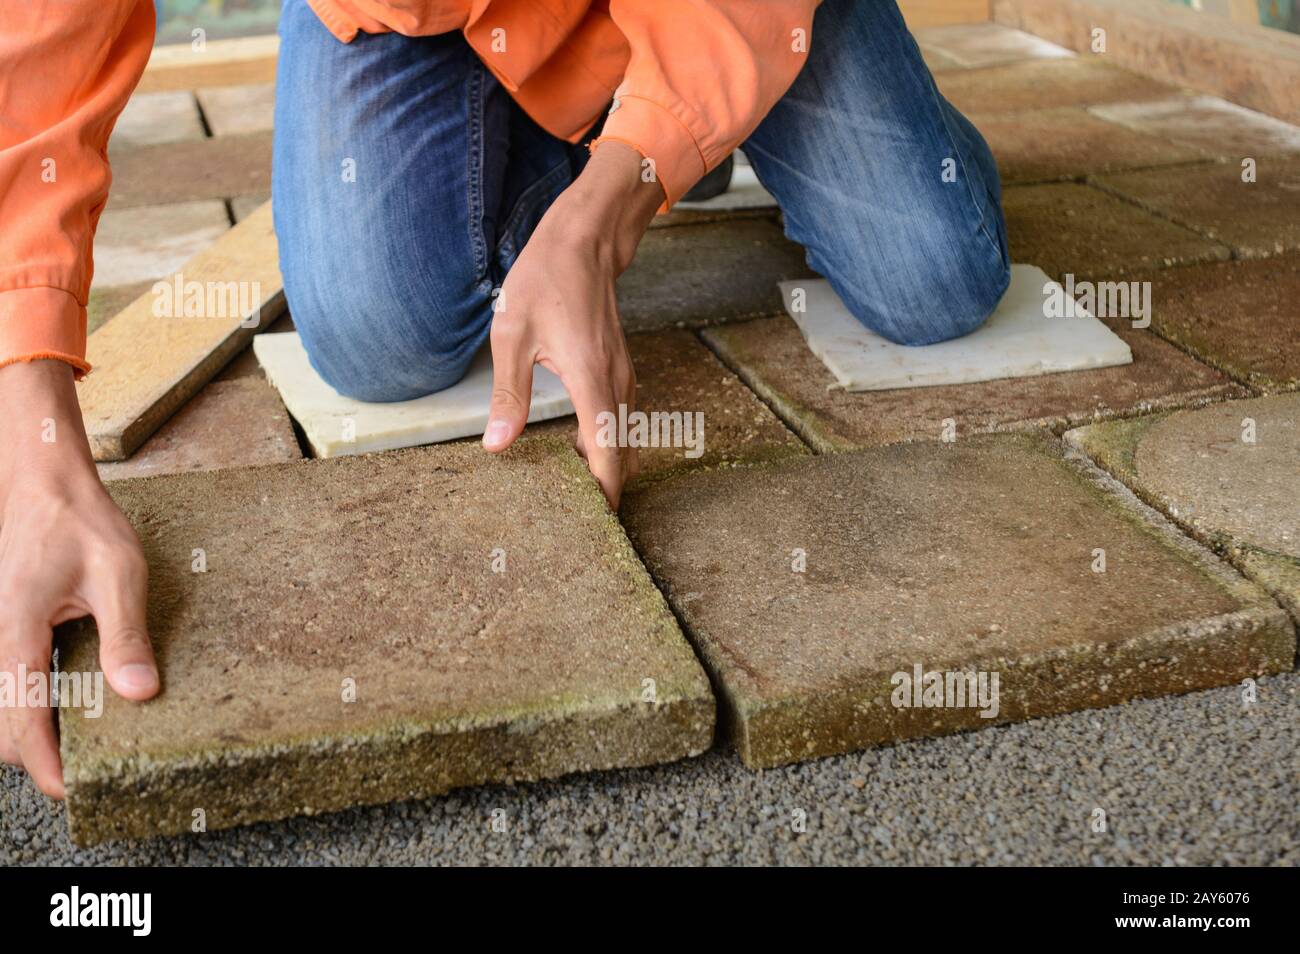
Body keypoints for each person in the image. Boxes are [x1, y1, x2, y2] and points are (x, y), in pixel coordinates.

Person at [0, 0, 1009, 797]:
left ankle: (685, 92)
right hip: (422, 15)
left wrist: (616, 201)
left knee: (932, 278)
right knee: (373, 336)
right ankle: (614, 121)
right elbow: (43, 39)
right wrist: (31, 427)